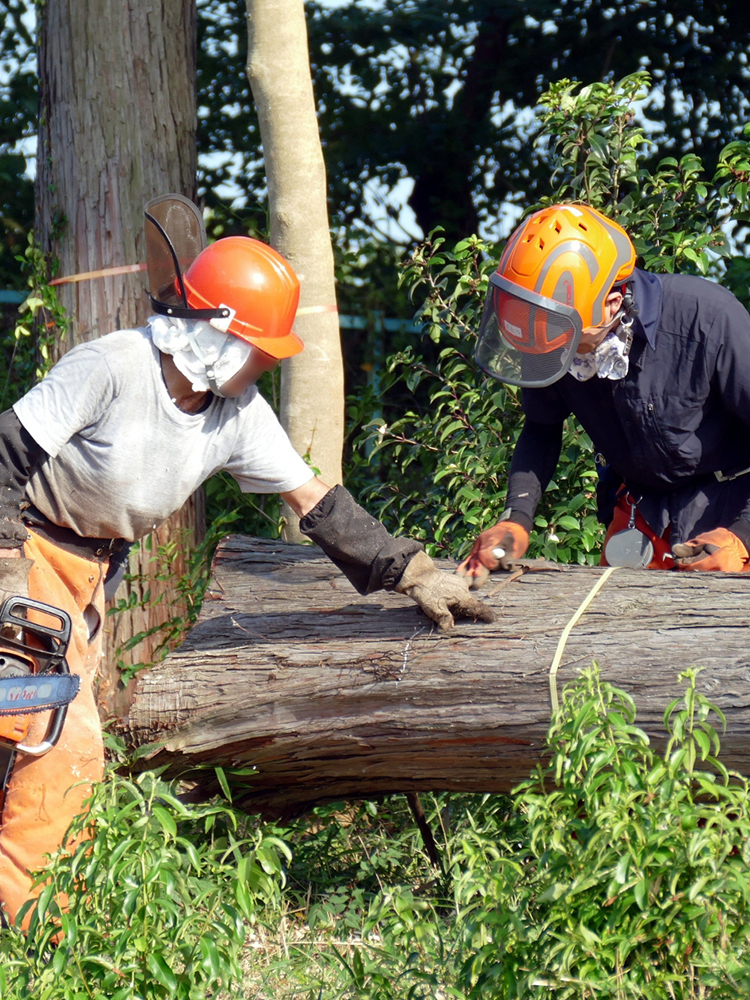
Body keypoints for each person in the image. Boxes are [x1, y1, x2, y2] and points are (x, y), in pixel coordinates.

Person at [0, 194, 493, 925]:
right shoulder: (113, 366)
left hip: (92, 574)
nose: (264, 364)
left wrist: (413, 571)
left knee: (29, 730)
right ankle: (35, 926)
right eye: (260, 349)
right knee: (54, 737)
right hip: (27, 547)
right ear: (217, 333)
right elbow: (5, 452)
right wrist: (7, 568)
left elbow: (314, 500)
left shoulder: (237, 415)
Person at [457, 202, 750, 587]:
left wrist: (742, 534)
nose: (555, 351)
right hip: (642, 510)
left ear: (613, 302)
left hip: (733, 504)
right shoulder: (554, 331)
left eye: (568, 340)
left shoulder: (707, 318)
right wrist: (516, 518)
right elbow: (541, 429)